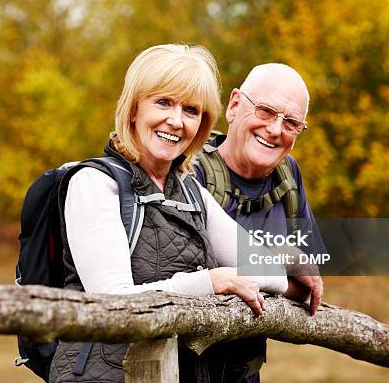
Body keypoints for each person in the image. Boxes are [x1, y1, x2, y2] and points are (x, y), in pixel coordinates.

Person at [49, 45, 290, 383]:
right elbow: (112, 301)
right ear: (133, 109)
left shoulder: (192, 193)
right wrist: (213, 281)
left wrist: (228, 279)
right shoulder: (95, 184)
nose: (176, 121)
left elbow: (273, 273)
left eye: (191, 110)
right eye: (163, 103)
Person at [195, 63, 326, 382]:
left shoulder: (288, 176)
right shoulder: (189, 169)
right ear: (235, 105)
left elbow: (308, 282)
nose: (275, 129)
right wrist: (281, 258)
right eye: (266, 111)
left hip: (244, 373)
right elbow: (190, 276)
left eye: (291, 122)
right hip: (182, 367)